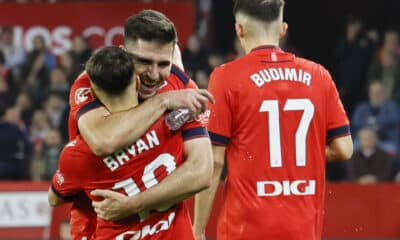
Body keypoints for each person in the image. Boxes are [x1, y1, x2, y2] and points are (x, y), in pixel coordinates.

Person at [193, 1, 353, 239]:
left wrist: (197, 230)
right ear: (282, 29)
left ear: (239, 29)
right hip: (303, 228)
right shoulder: (319, 75)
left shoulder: (225, 77)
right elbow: (344, 149)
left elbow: (215, 161)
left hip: (245, 228)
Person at [66, 10, 214, 240]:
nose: (154, 75)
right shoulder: (94, 82)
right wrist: (163, 101)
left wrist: (134, 204)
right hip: (101, 229)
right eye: (144, 62)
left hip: (169, 231)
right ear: (124, 53)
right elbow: (103, 141)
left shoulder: (181, 86)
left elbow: (202, 172)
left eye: (163, 64)